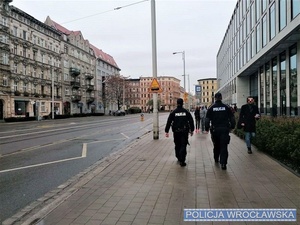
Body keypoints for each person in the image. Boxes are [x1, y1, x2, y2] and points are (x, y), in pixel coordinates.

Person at [205, 92, 236, 170]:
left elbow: (207, 119)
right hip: (225, 129)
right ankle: (223, 163)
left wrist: (207, 128)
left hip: (215, 130)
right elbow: (232, 118)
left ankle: (216, 158)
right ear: (221, 98)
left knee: (216, 145)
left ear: (215, 98)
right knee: (224, 146)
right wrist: (232, 126)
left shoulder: (211, 107)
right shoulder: (226, 107)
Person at [165, 98, 195, 167]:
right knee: (183, 145)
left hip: (176, 132)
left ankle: (178, 156)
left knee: (177, 144)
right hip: (184, 132)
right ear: (182, 103)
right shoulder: (186, 112)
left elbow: (169, 121)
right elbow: (191, 120)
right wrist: (192, 130)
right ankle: (182, 159)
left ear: (177, 103)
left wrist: (166, 131)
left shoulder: (173, 112)